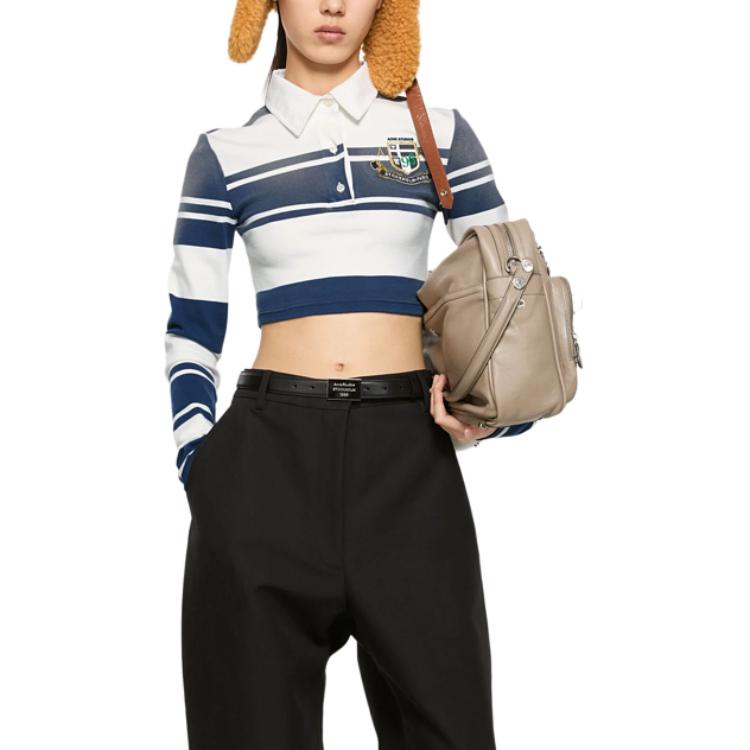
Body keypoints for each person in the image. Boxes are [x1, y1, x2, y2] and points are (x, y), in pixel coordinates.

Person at [164, 1, 536, 747]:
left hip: (409, 462)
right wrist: (201, 464)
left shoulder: (439, 135)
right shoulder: (226, 153)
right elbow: (192, 328)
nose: (333, 5)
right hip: (263, 466)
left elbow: (516, 298)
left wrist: (492, 416)